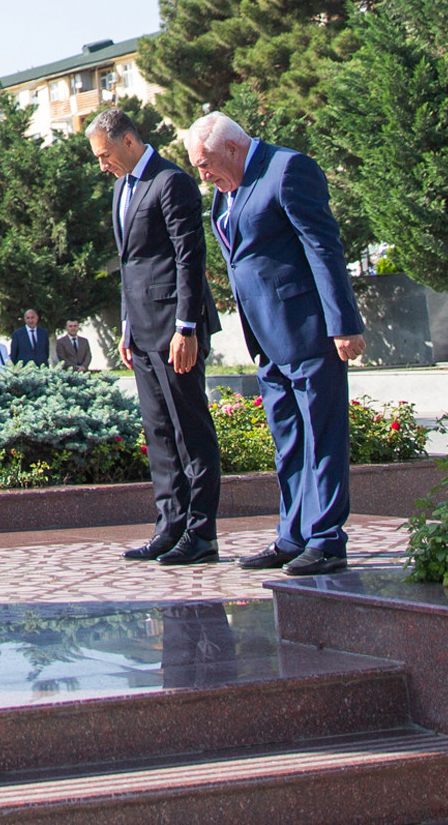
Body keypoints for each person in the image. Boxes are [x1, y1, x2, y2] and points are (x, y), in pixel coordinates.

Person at [186, 110, 367, 576]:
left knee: (321, 437)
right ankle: (293, 536)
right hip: (266, 338)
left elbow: (323, 247)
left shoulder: (288, 170)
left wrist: (343, 323)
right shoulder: (228, 188)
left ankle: (327, 540)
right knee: (288, 441)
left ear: (231, 147)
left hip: (308, 330)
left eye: (204, 163)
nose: (202, 175)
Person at [86, 107, 221, 564]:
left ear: (128, 141)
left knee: (190, 432)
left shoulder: (172, 181)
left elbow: (189, 257)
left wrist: (187, 326)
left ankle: (201, 535)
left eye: (105, 155)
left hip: (176, 329)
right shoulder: (122, 188)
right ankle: (170, 526)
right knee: (159, 433)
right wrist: (126, 326)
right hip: (141, 332)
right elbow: (130, 263)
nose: (102, 165)